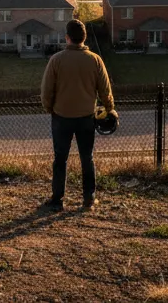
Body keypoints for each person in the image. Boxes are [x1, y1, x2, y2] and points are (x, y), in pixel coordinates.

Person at [40, 18, 115, 212]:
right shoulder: (94, 60)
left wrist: (50, 109)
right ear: (84, 37)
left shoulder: (56, 60)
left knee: (60, 159)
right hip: (86, 117)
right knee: (86, 157)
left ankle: (57, 199)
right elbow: (105, 90)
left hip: (61, 116)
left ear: (67, 38)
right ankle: (88, 198)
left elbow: (47, 90)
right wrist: (110, 109)